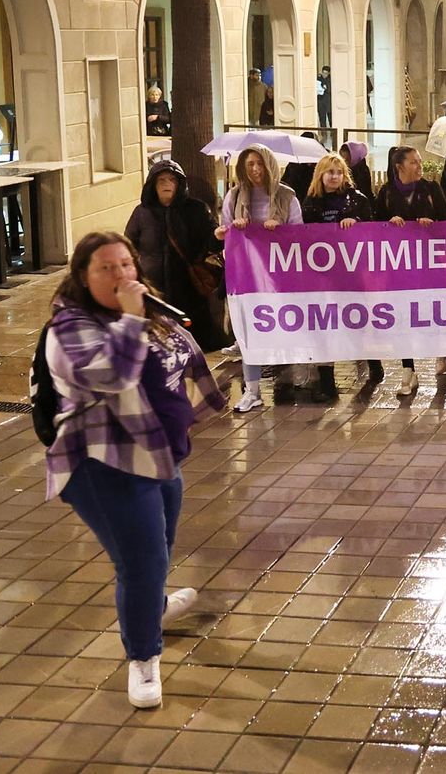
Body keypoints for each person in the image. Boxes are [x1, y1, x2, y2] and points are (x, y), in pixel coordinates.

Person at [44, 231, 229, 708]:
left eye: (126, 264)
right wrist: (130, 318)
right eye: (106, 268)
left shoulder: (149, 310)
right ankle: (143, 657)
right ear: (83, 278)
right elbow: (112, 376)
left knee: (158, 554)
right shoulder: (69, 328)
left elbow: (180, 355)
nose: (121, 275)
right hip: (104, 463)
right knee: (141, 563)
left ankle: (152, 608)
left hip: (158, 454)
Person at [216, 144, 304, 411]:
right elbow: (225, 233)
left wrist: (280, 232)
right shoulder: (234, 196)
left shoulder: (288, 197)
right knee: (249, 332)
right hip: (248, 277)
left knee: (282, 327)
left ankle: (291, 377)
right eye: (249, 164)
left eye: (259, 164)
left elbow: (300, 236)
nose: (254, 169)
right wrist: (228, 231)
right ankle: (252, 390)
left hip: (280, 277)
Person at [123, 159, 228, 351]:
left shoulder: (196, 210)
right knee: (158, 340)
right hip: (155, 287)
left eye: (171, 180)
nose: (166, 184)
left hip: (188, 288)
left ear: (179, 184)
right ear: (152, 185)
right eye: (161, 180)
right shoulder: (142, 213)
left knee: (191, 339)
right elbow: (129, 245)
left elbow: (211, 241)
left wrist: (217, 236)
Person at [373, 145, 446, 396]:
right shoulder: (386, 193)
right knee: (403, 318)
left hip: (430, 267)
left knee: (434, 312)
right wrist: (389, 224)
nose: (420, 166)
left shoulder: (431, 189)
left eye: (420, 162)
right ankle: (408, 370)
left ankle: (442, 349)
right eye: (414, 162)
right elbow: (372, 227)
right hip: (398, 270)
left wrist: (433, 226)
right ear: (400, 167)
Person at [300, 153, 377, 403]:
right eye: (330, 172)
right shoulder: (311, 203)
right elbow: (304, 236)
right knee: (324, 328)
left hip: (354, 275)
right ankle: (327, 382)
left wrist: (356, 222)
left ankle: (374, 364)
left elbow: (375, 230)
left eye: (339, 172)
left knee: (359, 322)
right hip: (323, 277)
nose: (334, 176)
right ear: (320, 175)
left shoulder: (358, 200)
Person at [340, 140, 377, 206]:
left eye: (347, 160)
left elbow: (365, 192)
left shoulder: (361, 171)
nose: (344, 163)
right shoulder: (341, 171)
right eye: (342, 159)